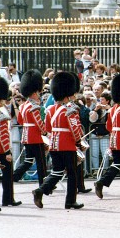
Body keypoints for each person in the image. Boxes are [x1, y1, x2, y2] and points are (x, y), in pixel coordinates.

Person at [32, 72, 85, 209]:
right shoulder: (70, 109)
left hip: (54, 145)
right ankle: (70, 201)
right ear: (68, 94)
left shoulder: (51, 109)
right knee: (72, 173)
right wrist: (79, 142)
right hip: (67, 145)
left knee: (57, 171)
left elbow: (47, 128)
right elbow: (75, 129)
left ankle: (40, 190)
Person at [13, 70, 47, 186]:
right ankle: (44, 183)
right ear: (34, 92)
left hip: (26, 136)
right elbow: (38, 122)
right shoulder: (33, 106)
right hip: (35, 137)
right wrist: (45, 133)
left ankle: (15, 176)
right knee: (41, 162)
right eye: (38, 92)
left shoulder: (23, 106)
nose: (39, 94)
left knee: (28, 160)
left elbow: (20, 121)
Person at [0, 76, 22, 212]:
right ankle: (8, 198)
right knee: (7, 174)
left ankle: (8, 199)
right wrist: (7, 152)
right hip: (0, 148)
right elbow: (3, 134)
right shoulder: (0, 113)